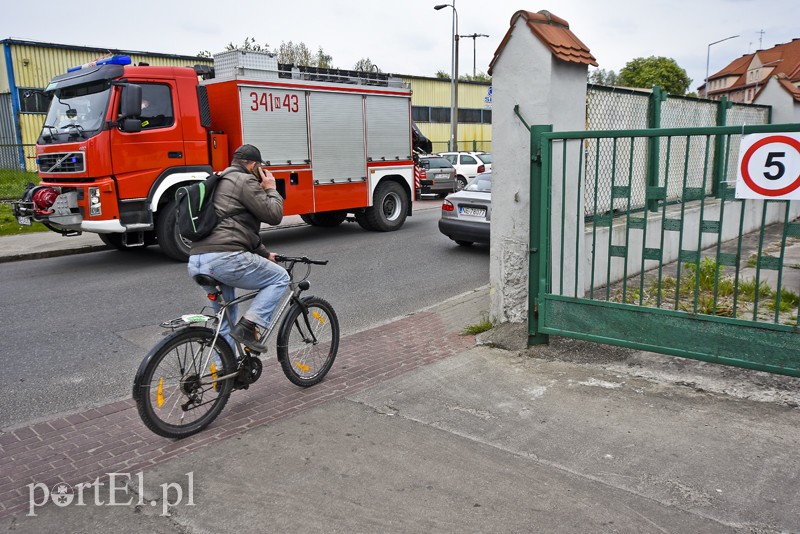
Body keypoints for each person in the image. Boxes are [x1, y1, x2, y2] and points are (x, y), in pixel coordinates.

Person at [187, 144, 289, 351]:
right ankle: (249, 326)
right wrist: (270, 188)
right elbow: (274, 215)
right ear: (253, 165)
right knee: (280, 278)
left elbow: (237, 227)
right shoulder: (245, 180)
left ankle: (223, 379)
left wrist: (264, 254)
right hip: (224, 259)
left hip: (198, 259)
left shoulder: (220, 179)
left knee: (226, 322)